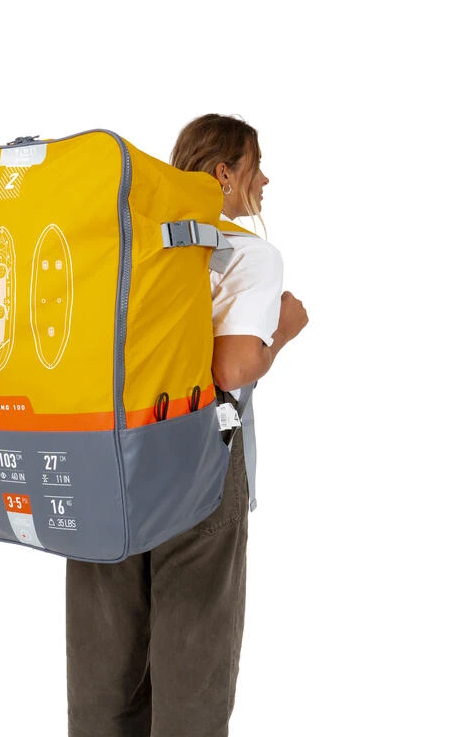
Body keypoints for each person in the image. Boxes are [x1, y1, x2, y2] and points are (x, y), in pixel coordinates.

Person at [66, 114, 308, 737]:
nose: (265, 180)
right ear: (224, 173)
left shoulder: (127, 242)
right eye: (256, 166)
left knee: (103, 668)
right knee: (194, 668)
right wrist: (285, 329)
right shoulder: (248, 253)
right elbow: (233, 367)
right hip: (200, 457)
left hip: (106, 454)